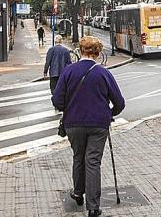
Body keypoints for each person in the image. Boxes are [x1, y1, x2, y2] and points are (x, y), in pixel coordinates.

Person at [52, 36, 125, 217]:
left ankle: (78, 193)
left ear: (80, 51)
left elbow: (57, 100)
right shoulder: (103, 73)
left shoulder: (69, 71)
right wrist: (109, 113)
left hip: (73, 123)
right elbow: (119, 103)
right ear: (98, 53)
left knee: (78, 157)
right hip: (98, 124)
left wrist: (69, 107)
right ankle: (93, 206)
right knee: (93, 162)